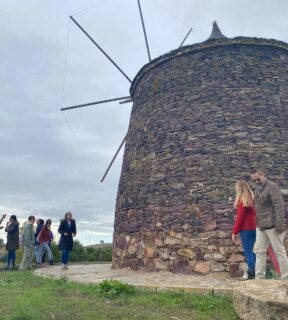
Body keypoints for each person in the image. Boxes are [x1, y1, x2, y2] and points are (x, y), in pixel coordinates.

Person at [250, 169, 288, 280]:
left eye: (258, 179)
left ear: (263, 175)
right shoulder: (258, 188)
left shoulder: (272, 186)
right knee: (259, 251)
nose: (256, 182)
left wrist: (279, 225)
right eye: (254, 180)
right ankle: (259, 278)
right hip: (261, 225)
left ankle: (286, 277)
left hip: (272, 225)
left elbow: (279, 206)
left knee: (279, 251)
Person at [231, 180, 256, 279]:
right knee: (252, 250)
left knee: (247, 250)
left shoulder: (242, 200)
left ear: (239, 188)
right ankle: (258, 270)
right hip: (254, 228)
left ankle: (252, 272)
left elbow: (240, 218)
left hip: (246, 229)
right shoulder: (251, 198)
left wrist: (234, 232)